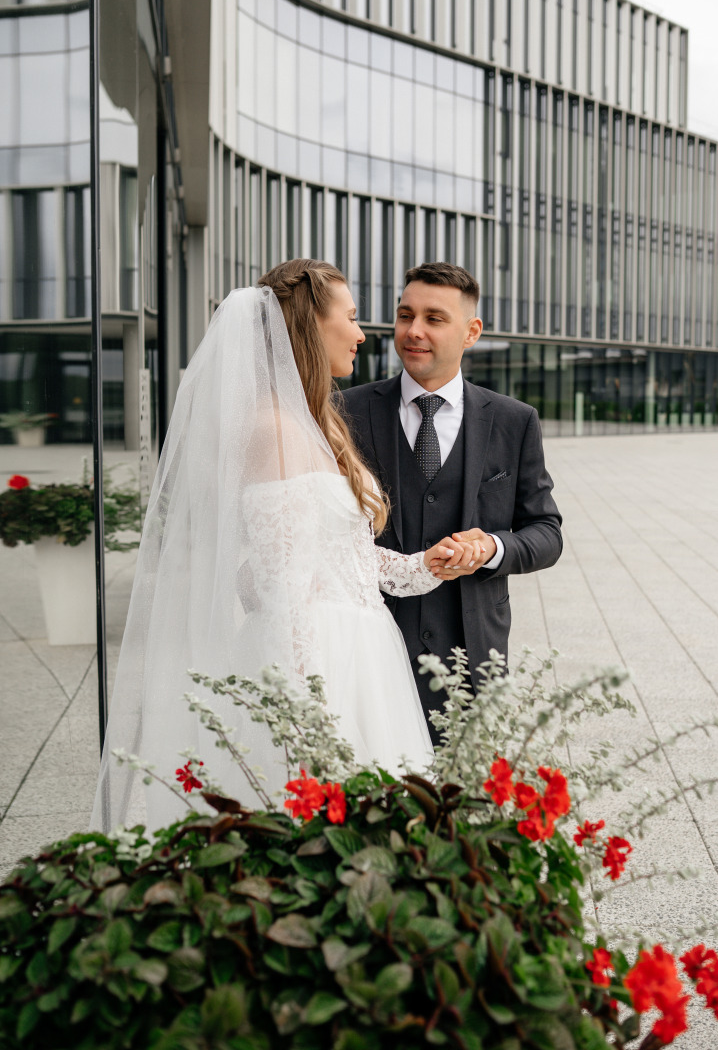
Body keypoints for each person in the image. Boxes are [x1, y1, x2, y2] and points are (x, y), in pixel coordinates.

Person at [90, 260, 483, 834]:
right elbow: (281, 586)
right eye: (349, 318)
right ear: (308, 328)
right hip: (320, 660)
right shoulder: (271, 429)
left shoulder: (314, 421)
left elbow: (333, 555)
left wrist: (424, 566)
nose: (361, 333)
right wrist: (309, 714)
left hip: (359, 646)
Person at [341, 262, 563, 739]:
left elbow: (547, 532)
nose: (414, 331)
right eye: (405, 315)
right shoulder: (345, 411)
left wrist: (491, 548)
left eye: (434, 319)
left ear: (471, 331)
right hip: (371, 656)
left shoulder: (513, 420)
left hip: (474, 658)